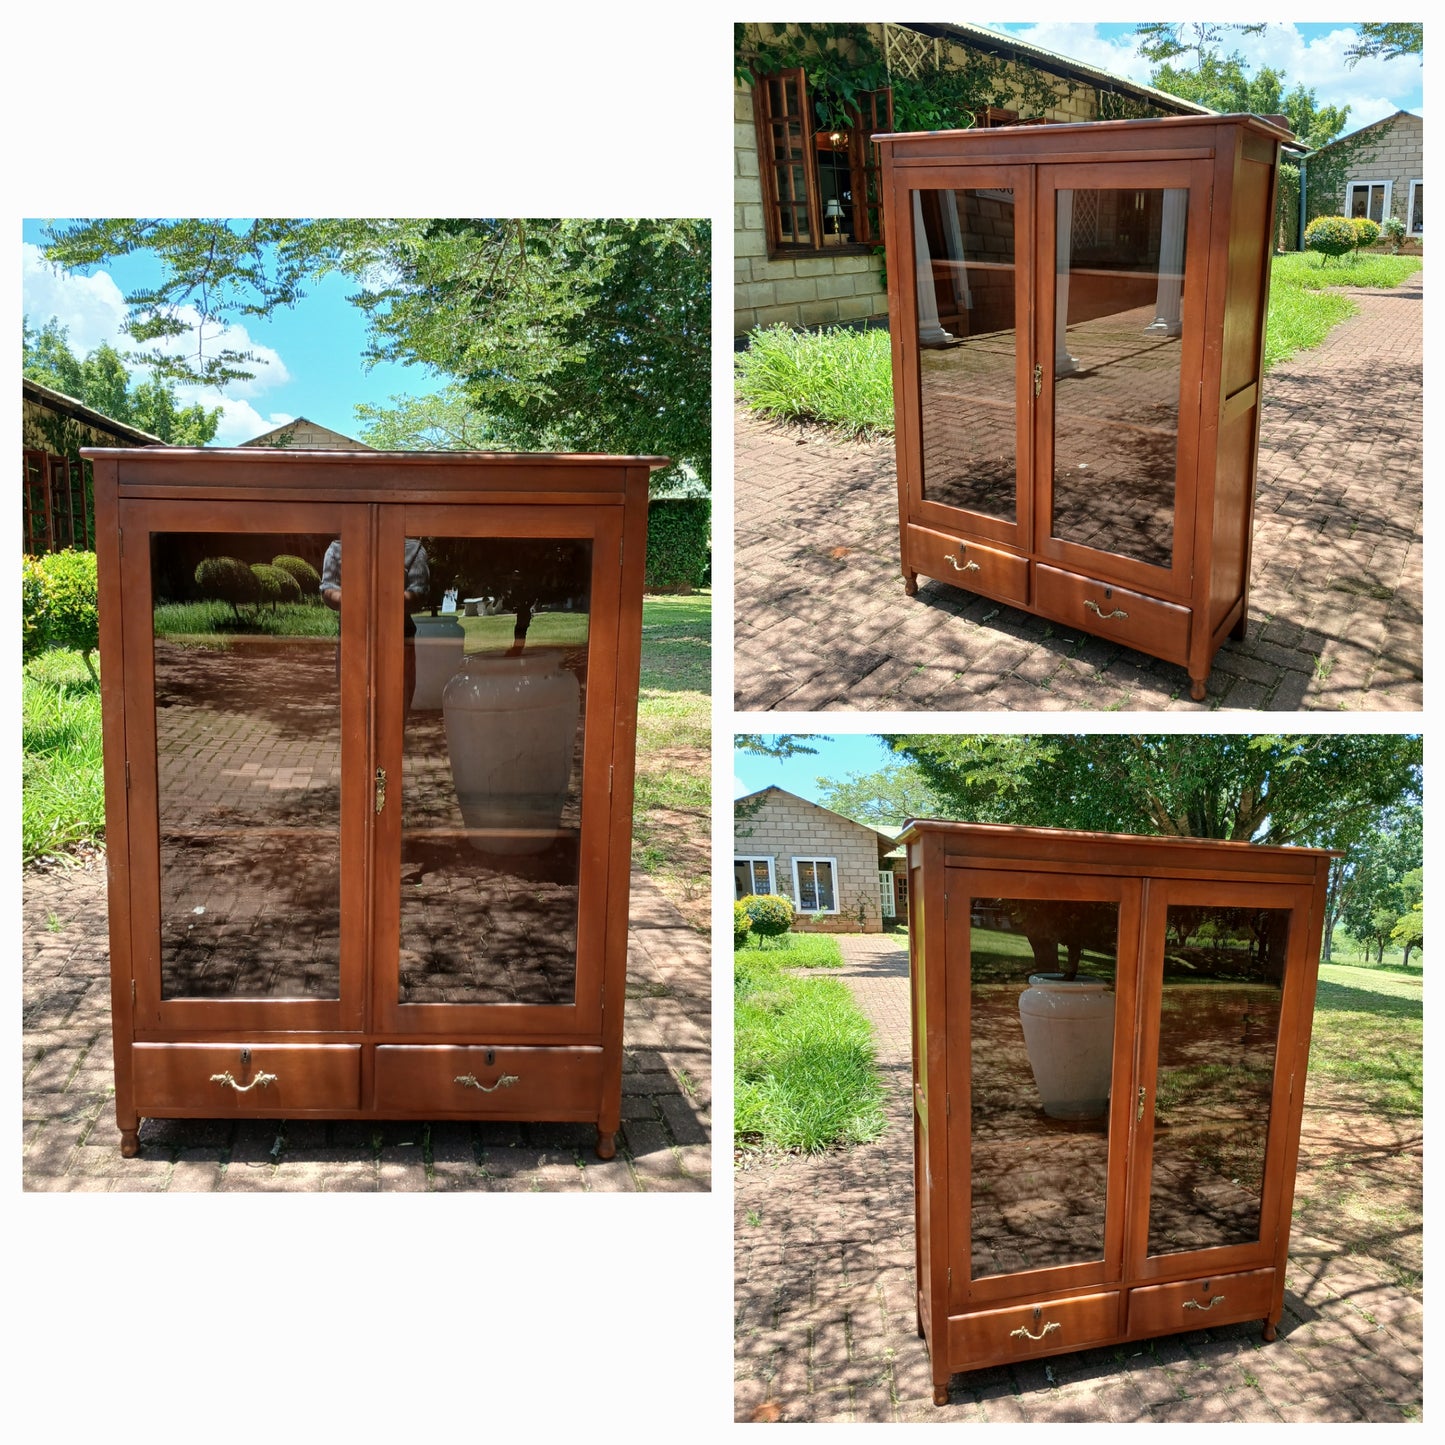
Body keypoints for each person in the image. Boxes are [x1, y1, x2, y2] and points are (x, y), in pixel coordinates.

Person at [320, 538, 431, 709]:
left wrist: (384, 598)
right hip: (353, 641)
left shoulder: (413, 549)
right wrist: (352, 598)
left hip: (399, 642)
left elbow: (420, 593)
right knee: (354, 712)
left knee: (395, 712)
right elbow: (328, 588)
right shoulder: (336, 549)